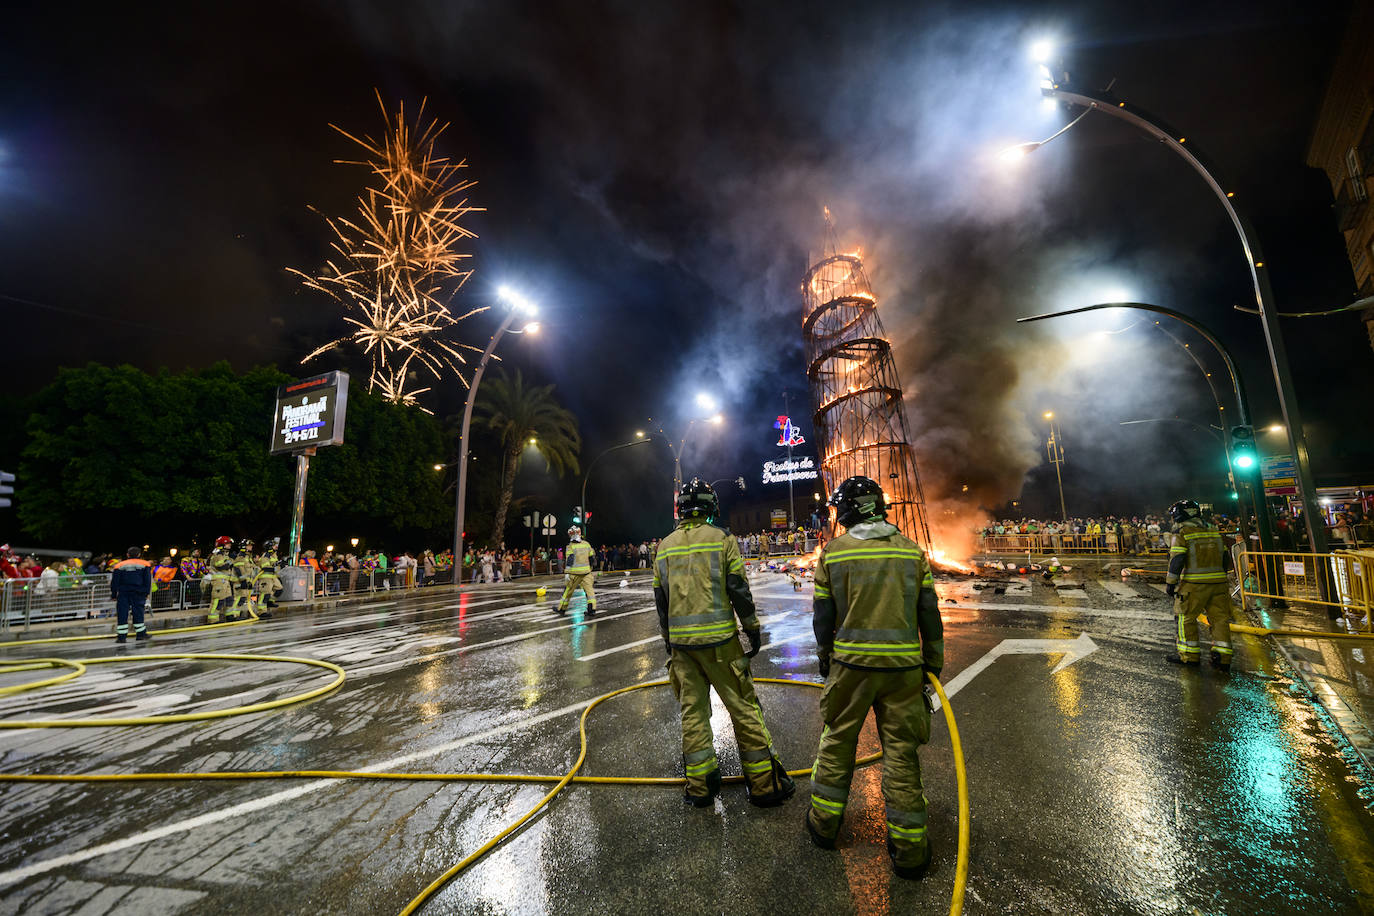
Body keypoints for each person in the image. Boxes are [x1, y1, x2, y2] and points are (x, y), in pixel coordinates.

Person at [806, 475, 943, 881]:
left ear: (849, 509)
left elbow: (823, 617)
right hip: (903, 670)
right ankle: (910, 849)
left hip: (851, 668)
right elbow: (929, 614)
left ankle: (824, 825)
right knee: (901, 754)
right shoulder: (912, 552)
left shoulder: (834, 553)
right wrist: (931, 665)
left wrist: (825, 655)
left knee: (837, 744)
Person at [654, 478, 794, 808]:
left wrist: (668, 643)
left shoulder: (665, 546)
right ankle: (764, 784)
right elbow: (739, 591)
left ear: (681, 509)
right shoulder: (722, 540)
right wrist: (753, 629)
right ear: (711, 506)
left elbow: (661, 602)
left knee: (693, 713)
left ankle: (700, 785)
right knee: (744, 708)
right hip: (720, 643)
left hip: (683, 649)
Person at [1165, 499, 1235, 670]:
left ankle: (1189, 656)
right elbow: (1225, 558)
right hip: (1219, 584)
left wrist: (1170, 583)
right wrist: (1221, 576)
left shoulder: (1182, 533)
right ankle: (1222, 658)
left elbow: (1177, 560)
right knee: (1220, 619)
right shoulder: (1212, 530)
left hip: (1194, 584)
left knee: (1185, 617)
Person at [109, 546, 153, 643]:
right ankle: (141, 634)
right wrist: (146, 592)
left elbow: (115, 582)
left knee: (122, 614)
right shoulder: (145, 564)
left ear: (127, 555)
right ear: (139, 554)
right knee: (138, 613)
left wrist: (113, 594)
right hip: (139, 592)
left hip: (123, 593)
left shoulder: (119, 565)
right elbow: (147, 580)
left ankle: (121, 637)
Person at [557, 526, 597, 616]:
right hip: (586, 572)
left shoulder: (570, 546)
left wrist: (567, 573)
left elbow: (570, 560)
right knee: (590, 591)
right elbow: (592, 558)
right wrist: (590, 568)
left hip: (574, 573)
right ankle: (592, 610)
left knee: (568, 591)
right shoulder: (587, 544)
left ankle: (562, 609)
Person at [205, 536, 235, 622]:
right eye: (228, 543)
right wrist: (231, 560)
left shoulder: (224, 554)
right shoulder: (218, 554)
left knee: (229, 599)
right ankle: (213, 619)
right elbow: (221, 566)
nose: (230, 545)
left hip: (225, 581)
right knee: (218, 600)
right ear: (222, 544)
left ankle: (229, 616)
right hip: (219, 581)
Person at [253, 537, 284, 614]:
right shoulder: (265, 556)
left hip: (272, 577)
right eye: (274, 546)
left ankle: (270, 601)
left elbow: (273, 565)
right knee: (264, 594)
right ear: (270, 547)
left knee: (279, 589)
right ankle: (261, 612)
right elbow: (266, 568)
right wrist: (276, 566)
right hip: (265, 578)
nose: (275, 547)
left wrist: (281, 564)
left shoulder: (273, 555)